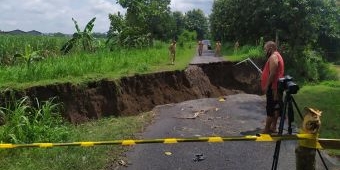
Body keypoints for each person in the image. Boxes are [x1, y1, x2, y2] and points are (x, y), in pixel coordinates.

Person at [261, 41, 284, 134]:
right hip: (277, 86)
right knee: (276, 107)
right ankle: (273, 127)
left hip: (274, 87)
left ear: (270, 48)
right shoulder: (278, 55)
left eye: (265, 49)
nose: (265, 50)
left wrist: (267, 85)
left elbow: (273, 72)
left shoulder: (274, 56)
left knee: (270, 107)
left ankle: (266, 129)